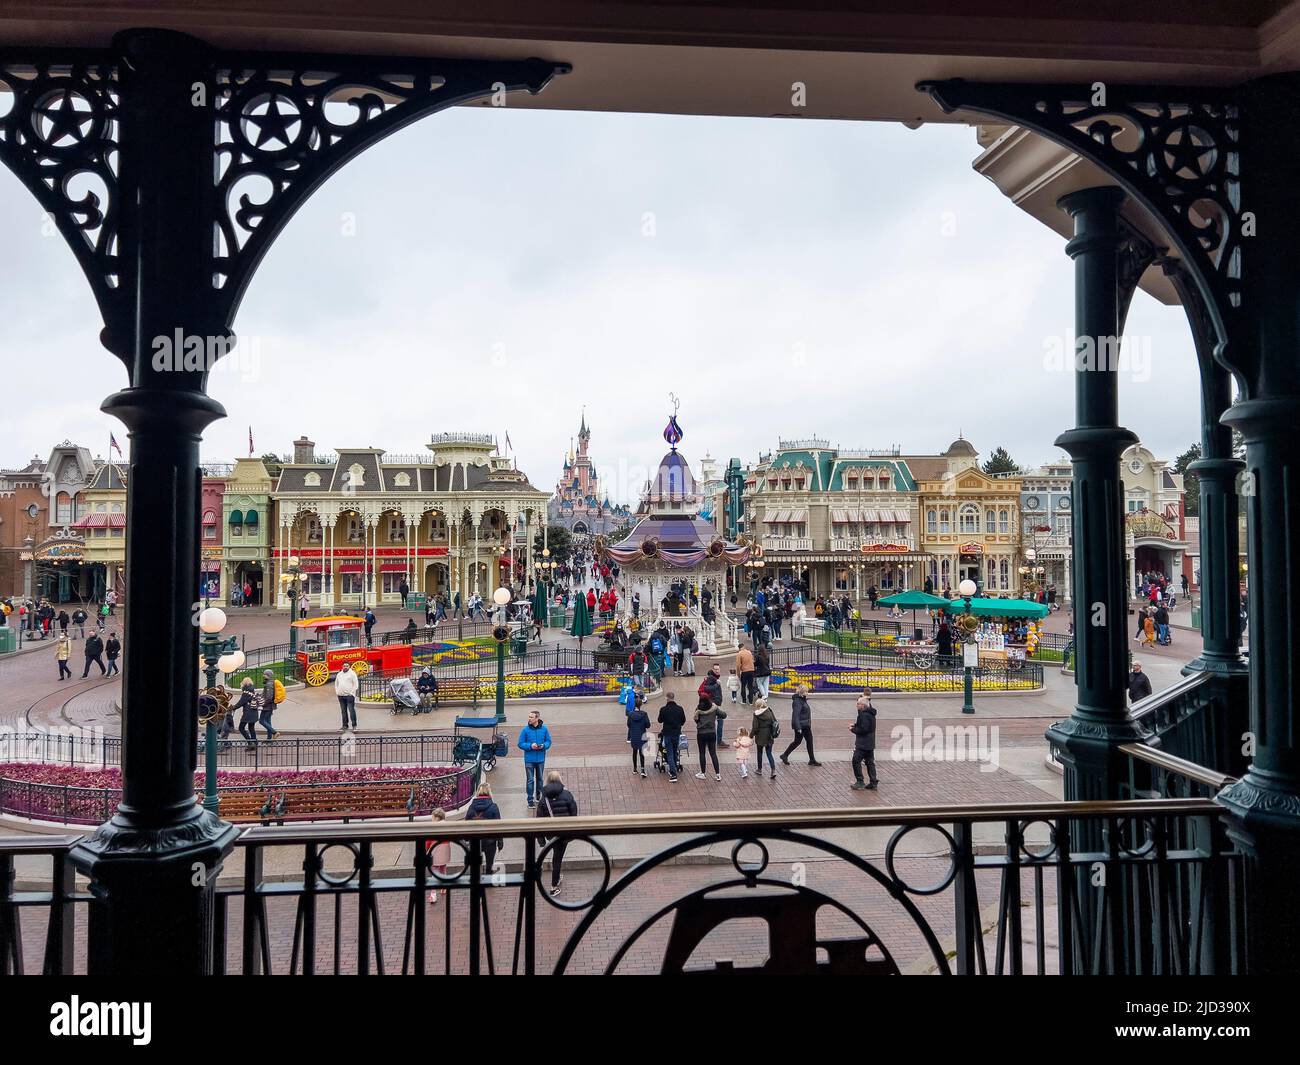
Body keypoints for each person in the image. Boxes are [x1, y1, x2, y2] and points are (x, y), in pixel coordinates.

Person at [535, 770, 578, 897]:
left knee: (556, 855)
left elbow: (539, 820)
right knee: (557, 858)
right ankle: (554, 885)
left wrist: (541, 840)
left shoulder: (544, 800)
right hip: (565, 833)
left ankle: (557, 876)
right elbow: (574, 813)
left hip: (552, 833)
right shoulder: (567, 795)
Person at [517, 709, 552, 809]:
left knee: (540, 779)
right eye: (529, 717)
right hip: (529, 759)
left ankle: (539, 797)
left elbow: (548, 741)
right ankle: (530, 800)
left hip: (540, 759)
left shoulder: (544, 729)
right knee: (530, 780)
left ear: (537, 718)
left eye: (531, 717)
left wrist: (543, 745)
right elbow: (520, 744)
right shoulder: (525, 730)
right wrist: (530, 746)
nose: (529, 719)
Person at [465, 783, 503, 873]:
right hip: (490, 841)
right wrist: (500, 842)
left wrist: (467, 839)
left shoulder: (471, 807)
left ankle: (477, 882)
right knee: (489, 865)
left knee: (475, 866)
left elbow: (466, 824)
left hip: (475, 841)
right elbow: (499, 825)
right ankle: (488, 881)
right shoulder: (493, 807)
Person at [781, 683, 821, 766]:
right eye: (806, 692)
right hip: (801, 726)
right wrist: (798, 727)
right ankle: (784, 755)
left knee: (809, 741)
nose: (807, 693)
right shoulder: (797, 701)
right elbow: (796, 715)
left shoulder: (802, 700)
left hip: (806, 725)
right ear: (802, 692)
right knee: (797, 741)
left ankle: (812, 759)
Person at [850, 691, 879, 791]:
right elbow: (866, 726)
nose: (856, 705)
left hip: (863, 744)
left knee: (856, 761)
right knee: (870, 762)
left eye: (858, 703)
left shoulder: (864, 715)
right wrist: (856, 725)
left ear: (863, 705)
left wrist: (853, 729)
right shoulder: (870, 714)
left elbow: (864, 729)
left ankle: (860, 781)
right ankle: (873, 782)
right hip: (870, 743)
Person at [693, 696, 725, 780]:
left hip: (701, 733)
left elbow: (696, 720)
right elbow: (724, 715)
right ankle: (718, 774)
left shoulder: (698, 709)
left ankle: (703, 773)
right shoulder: (714, 708)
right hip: (711, 732)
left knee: (702, 753)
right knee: (713, 753)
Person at [657, 691, 686, 782]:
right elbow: (683, 720)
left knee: (669, 752)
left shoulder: (663, 709)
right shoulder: (680, 709)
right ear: (673, 698)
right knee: (674, 751)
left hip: (667, 733)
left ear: (667, 698)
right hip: (676, 733)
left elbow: (660, 720)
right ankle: (674, 768)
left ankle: (673, 774)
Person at [426, 808, 451, 904]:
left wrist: (426, 850)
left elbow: (428, 841)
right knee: (443, 868)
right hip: (445, 850)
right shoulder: (447, 826)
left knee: (434, 872)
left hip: (435, 850)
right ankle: (444, 887)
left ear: (436, 817)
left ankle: (433, 894)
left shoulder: (434, 827)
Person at [751, 697, 778, 780]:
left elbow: (755, 727)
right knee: (769, 753)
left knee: (759, 752)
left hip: (760, 736)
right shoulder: (769, 711)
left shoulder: (756, 714)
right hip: (769, 735)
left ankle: (759, 769)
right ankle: (773, 770)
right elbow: (775, 721)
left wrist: (751, 735)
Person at [627, 697, 651, 777]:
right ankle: (643, 769)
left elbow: (628, 725)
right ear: (641, 704)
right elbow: (648, 725)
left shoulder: (630, 714)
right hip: (642, 734)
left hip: (634, 735)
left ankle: (634, 768)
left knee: (634, 751)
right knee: (641, 753)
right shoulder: (644, 714)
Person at [232, 679, 259, 748]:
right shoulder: (252, 691)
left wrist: (233, 707)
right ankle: (255, 743)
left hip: (248, 713)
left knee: (241, 728)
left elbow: (241, 702)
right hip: (254, 712)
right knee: (251, 728)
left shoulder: (246, 692)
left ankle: (250, 743)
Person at [335, 661, 358, 730]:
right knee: (343, 711)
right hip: (340, 696)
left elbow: (356, 684)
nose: (345, 667)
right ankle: (345, 725)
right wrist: (337, 692)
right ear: (342, 666)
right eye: (344, 666)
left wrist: (351, 693)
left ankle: (354, 726)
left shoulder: (352, 674)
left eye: (347, 666)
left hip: (349, 696)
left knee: (351, 710)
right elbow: (336, 684)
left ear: (349, 666)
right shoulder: (339, 674)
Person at [259, 669, 280, 741]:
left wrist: (262, 703)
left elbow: (269, 697)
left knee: (261, 721)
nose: (263, 675)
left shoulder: (269, 684)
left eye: (264, 674)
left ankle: (275, 732)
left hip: (267, 706)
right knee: (268, 722)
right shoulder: (270, 683)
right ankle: (269, 739)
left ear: (268, 675)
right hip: (269, 706)